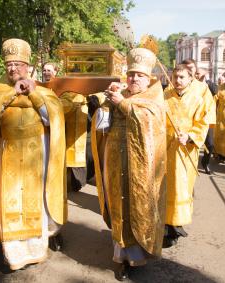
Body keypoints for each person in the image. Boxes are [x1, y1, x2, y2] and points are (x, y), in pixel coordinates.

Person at [0, 38, 66, 270]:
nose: (13, 68)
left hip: (38, 154)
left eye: (18, 64)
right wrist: (10, 96)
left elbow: (53, 118)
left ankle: (37, 248)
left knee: (36, 203)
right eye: (9, 65)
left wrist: (33, 95)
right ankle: (15, 255)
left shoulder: (43, 91)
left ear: (28, 67)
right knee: (12, 203)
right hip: (9, 156)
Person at [91, 48, 166, 280]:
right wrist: (107, 104)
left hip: (141, 166)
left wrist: (123, 104)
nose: (134, 78)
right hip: (115, 159)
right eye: (131, 74)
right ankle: (122, 257)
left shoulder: (153, 98)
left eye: (140, 75)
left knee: (136, 204)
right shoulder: (120, 93)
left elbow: (149, 122)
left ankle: (137, 256)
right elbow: (101, 126)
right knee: (118, 205)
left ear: (149, 78)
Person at [164, 64, 215, 247]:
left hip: (185, 150)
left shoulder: (197, 98)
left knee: (180, 187)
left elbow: (203, 122)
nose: (178, 80)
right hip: (165, 147)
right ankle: (163, 223)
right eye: (175, 76)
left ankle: (176, 225)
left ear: (190, 78)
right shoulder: (164, 96)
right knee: (164, 185)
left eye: (182, 77)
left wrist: (190, 135)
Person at [183, 59, 216, 174]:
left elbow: (211, 103)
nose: (189, 71)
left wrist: (206, 82)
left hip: (203, 122)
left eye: (191, 68)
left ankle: (205, 163)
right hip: (186, 123)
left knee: (210, 144)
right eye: (185, 68)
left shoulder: (204, 86)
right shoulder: (178, 83)